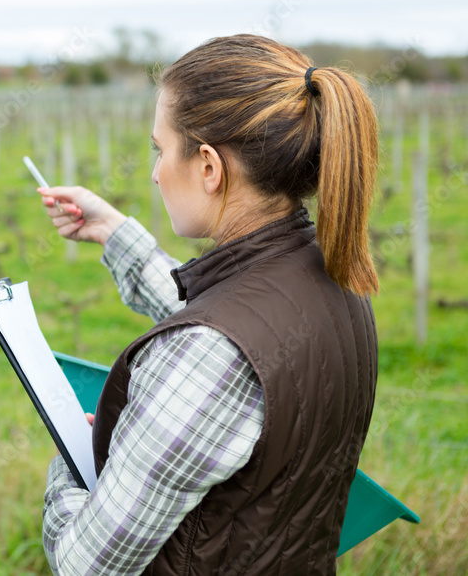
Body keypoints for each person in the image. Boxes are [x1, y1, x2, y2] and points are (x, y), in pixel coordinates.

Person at [40, 34, 379, 575]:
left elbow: (87, 564)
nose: (154, 171)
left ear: (208, 167)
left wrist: (71, 461)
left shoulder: (207, 353)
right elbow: (239, 317)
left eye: (160, 148)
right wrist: (114, 232)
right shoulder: (337, 281)